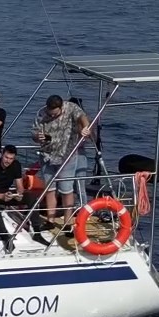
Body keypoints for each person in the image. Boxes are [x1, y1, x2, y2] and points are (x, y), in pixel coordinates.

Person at [31, 93, 91, 224]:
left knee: (66, 190)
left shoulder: (71, 108)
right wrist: (37, 137)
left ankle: (67, 222)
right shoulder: (41, 113)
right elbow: (34, 133)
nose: (52, 116)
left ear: (61, 107)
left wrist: (86, 127)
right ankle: (50, 220)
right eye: (50, 114)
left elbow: (82, 116)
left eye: (55, 115)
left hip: (66, 157)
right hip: (47, 156)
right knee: (50, 189)